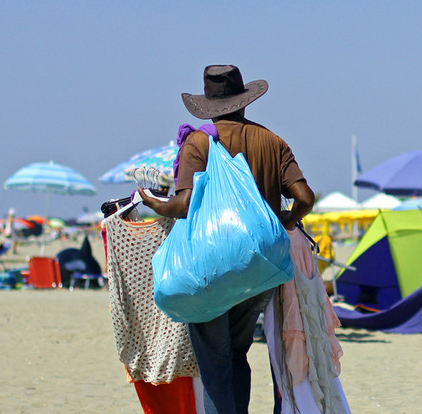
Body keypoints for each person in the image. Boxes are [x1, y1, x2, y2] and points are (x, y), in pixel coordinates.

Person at [140, 64, 315, 414]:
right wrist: (285, 221)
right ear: (244, 101)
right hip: (261, 267)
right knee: (237, 354)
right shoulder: (273, 141)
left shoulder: (199, 141)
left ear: (208, 104)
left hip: (211, 267)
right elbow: (305, 198)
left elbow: (184, 204)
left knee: (215, 363)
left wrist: (153, 202)